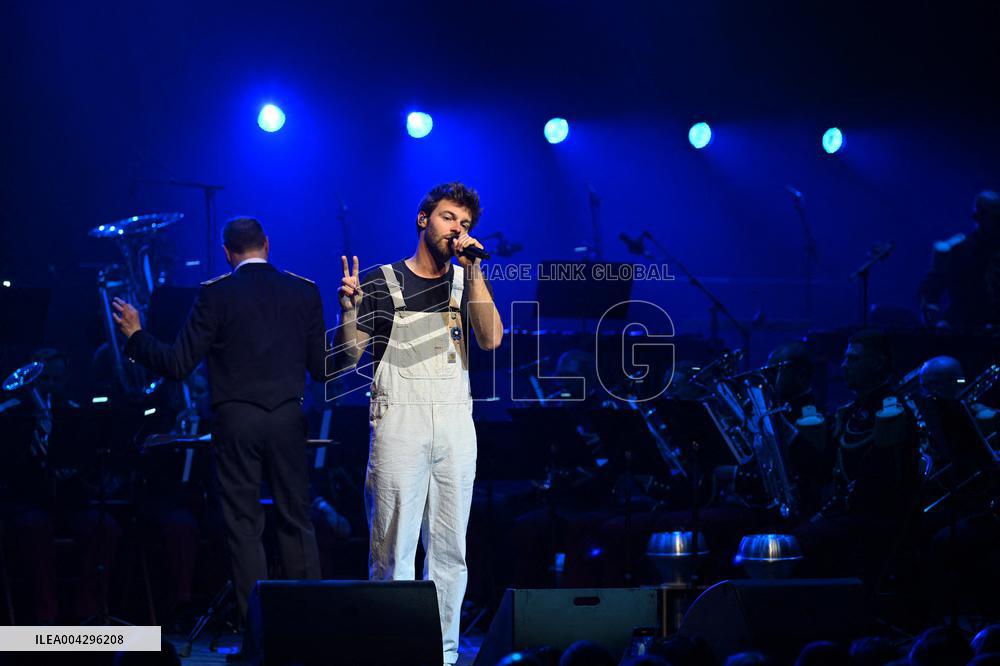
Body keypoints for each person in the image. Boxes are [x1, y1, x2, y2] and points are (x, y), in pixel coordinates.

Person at [112, 216, 325, 628]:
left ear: (227, 254)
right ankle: (309, 631)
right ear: (267, 244)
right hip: (287, 419)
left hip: (236, 422)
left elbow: (177, 364)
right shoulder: (304, 291)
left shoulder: (215, 294)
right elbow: (320, 369)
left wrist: (136, 336)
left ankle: (258, 636)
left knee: (244, 527)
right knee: (296, 521)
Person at [334, 182, 503, 665]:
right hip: (399, 423)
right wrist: (348, 313)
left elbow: (491, 339)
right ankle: (392, 653)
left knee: (450, 551)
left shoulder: (466, 282)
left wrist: (475, 271)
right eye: (449, 218)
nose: (457, 229)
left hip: (454, 425)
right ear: (423, 219)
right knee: (394, 549)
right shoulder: (381, 281)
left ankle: (444, 655)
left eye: (465, 224)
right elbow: (348, 356)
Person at [920, 189, 1000, 328]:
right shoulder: (959, 250)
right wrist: (930, 306)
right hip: (964, 327)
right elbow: (930, 288)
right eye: (993, 217)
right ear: (977, 217)